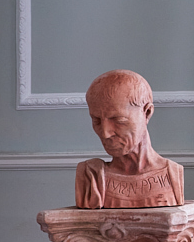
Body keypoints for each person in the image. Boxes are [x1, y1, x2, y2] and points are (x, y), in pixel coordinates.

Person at [76, 70, 183, 209]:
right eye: (96, 120)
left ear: (147, 113)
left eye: (118, 120)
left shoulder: (172, 174)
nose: (105, 133)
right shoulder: (91, 176)